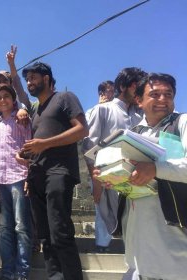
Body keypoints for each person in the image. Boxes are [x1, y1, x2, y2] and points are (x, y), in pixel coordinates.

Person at [112, 73, 187, 280]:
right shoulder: (133, 133)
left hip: (174, 241)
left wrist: (155, 169)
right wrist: (110, 176)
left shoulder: (182, 123)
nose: (163, 99)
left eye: (168, 94)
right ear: (139, 100)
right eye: (155, 94)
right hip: (138, 244)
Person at [20, 61, 88, 280]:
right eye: (27, 79)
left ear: (46, 78)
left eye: (33, 77)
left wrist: (44, 143)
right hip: (37, 177)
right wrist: (29, 161)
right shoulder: (37, 111)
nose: (29, 82)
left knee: (60, 232)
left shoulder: (65, 98)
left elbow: (81, 130)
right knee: (46, 237)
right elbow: (39, 148)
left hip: (59, 172)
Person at [82, 67, 146, 235]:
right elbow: (90, 148)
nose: (139, 90)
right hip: (110, 183)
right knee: (121, 227)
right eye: (135, 85)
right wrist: (96, 184)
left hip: (140, 181)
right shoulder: (102, 110)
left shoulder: (141, 115)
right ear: (123, 86)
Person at [0, 84, 32, 280]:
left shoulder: (22, 120)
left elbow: (30, 147)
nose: (2, 100)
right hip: (1, 181)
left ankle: (22, 272)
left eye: (6, 96)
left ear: (13, 98)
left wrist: (29, 174)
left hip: (19, 178)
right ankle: (7, 272)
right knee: (3, 229)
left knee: (21, 226)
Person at [83, 80, 115, 252]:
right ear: (101, 93)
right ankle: (103, 244)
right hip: (99, 167)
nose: (111, 95)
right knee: (101, 206)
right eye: (108, 91)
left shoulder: (120, 112)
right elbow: (87, 141)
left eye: (113, 91)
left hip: (118, 164)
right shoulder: (92, 112)